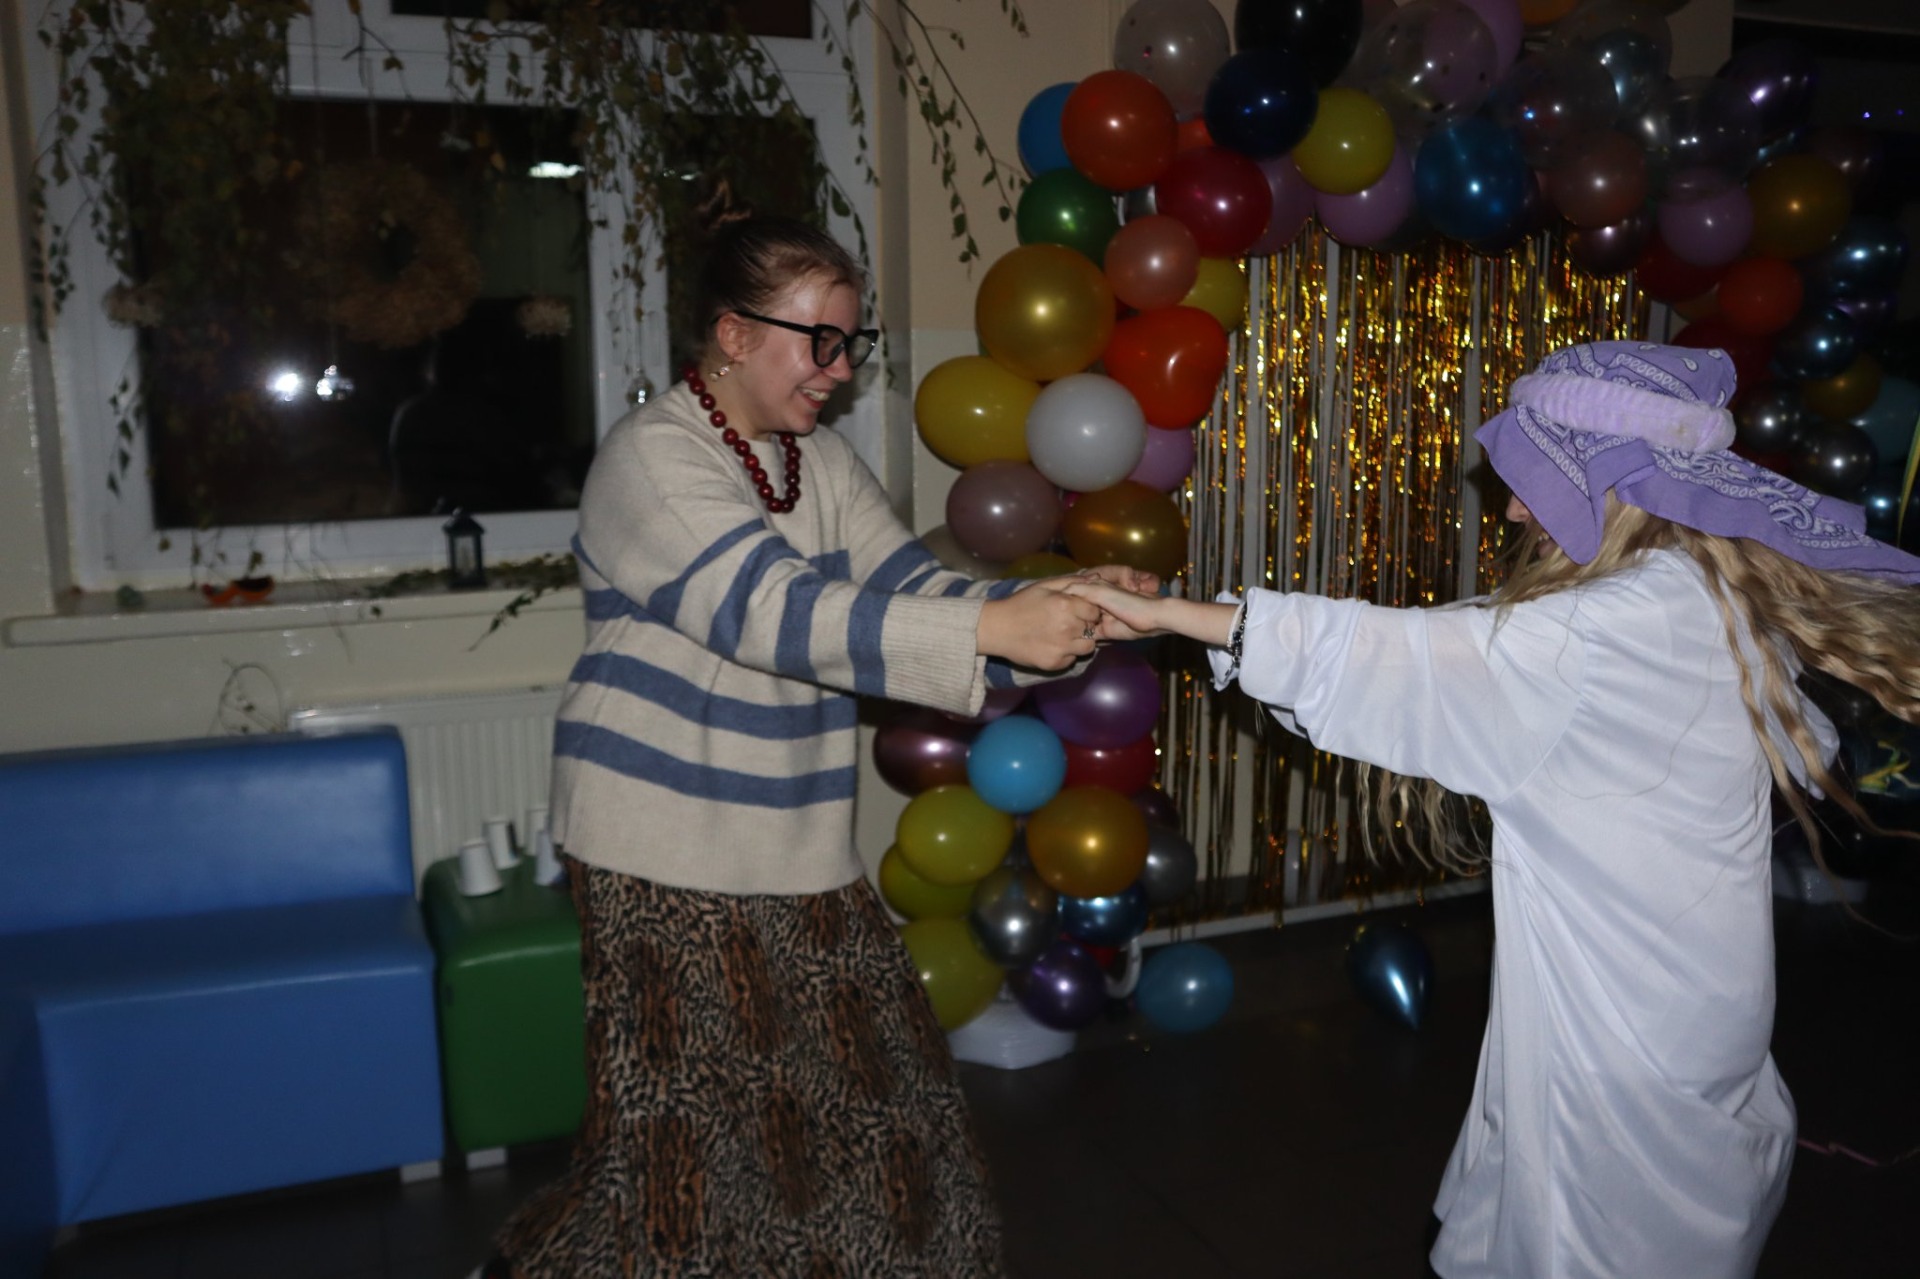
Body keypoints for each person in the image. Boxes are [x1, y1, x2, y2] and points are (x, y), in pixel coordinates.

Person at [1065, 341, 1920, 1279]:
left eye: (1533, 478)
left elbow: (1403, 656)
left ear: (1613, 479)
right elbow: (1480, 648)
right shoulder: (1707, 592)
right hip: (1704, 1011)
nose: (1512, 507)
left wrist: (1167, 616)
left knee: (1594, 1243)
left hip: (1618, 1036)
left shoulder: (1597, 633)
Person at [479, 213, 1154, 1279]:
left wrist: (1061, 601)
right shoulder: (652, 457)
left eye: (852, 342)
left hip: (795, 843)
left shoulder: (820, 463)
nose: (840, 369)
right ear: (733, 335)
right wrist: (993, 629)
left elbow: (915, 592)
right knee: (689, 1166)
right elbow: (773, 611)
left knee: (899, 1120)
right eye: (819, 341)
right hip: (659, 848)